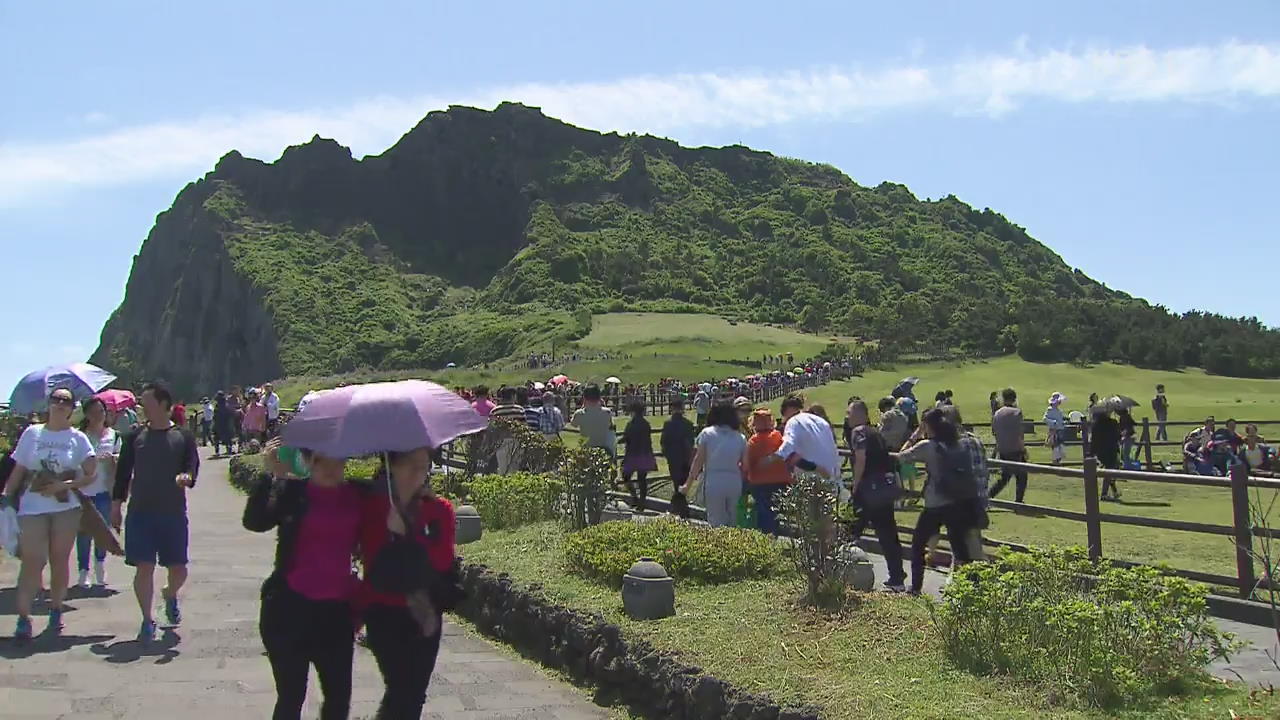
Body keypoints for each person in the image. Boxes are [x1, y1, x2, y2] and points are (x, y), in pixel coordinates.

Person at [245, 438, 361, 720]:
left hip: (335, 614)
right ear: (307, 462)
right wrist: (271, 475)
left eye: (338, 459)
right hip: (288, 610)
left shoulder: (357, 497)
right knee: (292, 695)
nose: (331, 467)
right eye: (321, 460)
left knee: (338, 699)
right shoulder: (293, 492)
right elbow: (255, 521)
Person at [359, 447, 460, 718]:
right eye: (409, 465)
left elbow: (440, 561)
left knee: (413, 696)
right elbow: (373, 565)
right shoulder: (372, 507)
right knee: (400, 691)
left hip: (425, 614)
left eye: (423, 465)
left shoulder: (439, 510)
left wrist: (408, 535)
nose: (418, 472)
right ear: (392, 465)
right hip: (384, 612)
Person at [2, 387, 97, 642]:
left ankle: (56, 609)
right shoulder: (32, 434)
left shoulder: (77, 438)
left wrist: (64, 486)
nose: (60, 404)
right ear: (49, 403)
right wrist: (6, 497)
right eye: (56, 400)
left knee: (59, 559)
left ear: (72, 407)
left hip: (65, 508)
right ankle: (24, 617)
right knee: (32, 561)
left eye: (66, 401)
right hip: (32, 507)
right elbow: (19, 469)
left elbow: (91, 474)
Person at [111, 382, 200, 642]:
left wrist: (186, 477)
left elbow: (191, 465)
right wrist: (116, 506)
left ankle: (170, 594)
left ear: (163, 405)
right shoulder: (134, 437)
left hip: (172, 512)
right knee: (144, 566)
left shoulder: (183, 436)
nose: (141, 406)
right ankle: (147, 619)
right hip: (141, 512)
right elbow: (123, 474)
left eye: (146, 402)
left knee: (179, 568)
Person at [895, 408, 977, 596]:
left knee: (918, 544)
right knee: (959, 547)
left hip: (935, 504)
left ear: (928, 425)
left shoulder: (927, 446)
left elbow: (901, 457)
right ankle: (968, 588)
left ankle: (915, 587)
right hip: (957, 502)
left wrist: (914, 437)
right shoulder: (959, 444)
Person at [844, 397, 906, 591]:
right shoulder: (876, 433)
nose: (847, 417)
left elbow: (861, 458)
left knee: (849, 529)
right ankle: (897, 577)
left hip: (867, 489)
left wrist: (855, 484)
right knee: (888, 533)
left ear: (860, 414)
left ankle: (839, 570)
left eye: (849, 413)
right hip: (883, 489)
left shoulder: (859, 432)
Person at [680, 401, 747, 526]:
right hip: (734, 480)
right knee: (732, 520)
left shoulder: (707, 434)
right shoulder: (740, 438)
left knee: (716, 520)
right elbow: (745, 465)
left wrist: (687, 485)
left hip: (714, 479)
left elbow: (697, 462)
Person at [76, 396, 119, 589]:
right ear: (86, 415)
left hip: (104, 490)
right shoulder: (79, 436)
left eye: (101, 411)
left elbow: (122, 458)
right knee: (83, 533)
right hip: (83, 492)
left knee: (102, 531)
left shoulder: (114, 435)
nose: (98, 415)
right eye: (93, 412)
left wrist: (112, 458)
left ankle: (100, 566)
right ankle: (83, 571)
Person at [744, 409, 791, 535]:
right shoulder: (778, 436)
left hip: (760, 483)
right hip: (780, 481)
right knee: (774, 511)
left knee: (763, 513)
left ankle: (767, 537)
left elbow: (747, 464)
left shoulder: (753, 441)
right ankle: (773, 534)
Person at [989, 388, 1028, 503]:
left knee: (1004, 477)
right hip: (1015, 449)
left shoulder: (997, 413)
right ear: (1014, 399)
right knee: (1022, 477)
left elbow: (994, 432)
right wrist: (1023, 449)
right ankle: (1018, 501)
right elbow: (1020, 433)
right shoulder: (1017, 412)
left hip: (1003, 449)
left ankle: (988, 497)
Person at [661, 399, 696, 516]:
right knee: (683, 481)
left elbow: (663, 442)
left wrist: (666, 454)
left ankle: (679, 506)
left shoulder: (668, 424)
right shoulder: (688, 424)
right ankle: (681, 505)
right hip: (685, 457)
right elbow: (691, 443)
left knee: (676, 482)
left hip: (673, 457)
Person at [621, 402, 657, 511]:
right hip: (645, 453)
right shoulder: (646, 424)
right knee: (642, 479)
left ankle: (634, 497)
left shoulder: (631, 424)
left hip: (632, 454)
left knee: (626, 476)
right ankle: (642, 502)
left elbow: (627, 437)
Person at [570, 385, 616, 460]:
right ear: (599, 397)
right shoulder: (607, 412)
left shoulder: (579, 414)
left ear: (584, 398)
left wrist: (582, 407)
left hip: (587, 450)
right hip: (603, 450)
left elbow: (573, 424)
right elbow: (610, 425)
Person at [1092, 404, 1122, 500]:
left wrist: (1092, 452)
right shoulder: (1113, 423)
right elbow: (1118, 437)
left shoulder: (1096, 424)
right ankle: (1104, 494)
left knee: (1110, 471)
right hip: (1111, 450)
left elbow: (1094, 439)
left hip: (1101, 451)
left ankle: (1115, 491)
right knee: (1110, 471)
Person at [1043, 392, 1068, 466]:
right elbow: (1045, 419)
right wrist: (1053, 422)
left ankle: (1058, 460)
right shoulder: (1050, 410)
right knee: (1056, 447)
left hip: (1060, 430)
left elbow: (1060, 419)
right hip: (1054, 431)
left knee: (1061, 446)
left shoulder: (1059, 411)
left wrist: (1064, 422)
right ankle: (1055, 461)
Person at [213, 390, 237, 456]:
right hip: (224, 424)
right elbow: (231, 414)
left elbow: (215, 416)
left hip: (220, 423)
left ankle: (218, 451)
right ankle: (228, 450)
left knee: (217, 438)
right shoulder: (226, 405)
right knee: (227, 438)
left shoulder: (218, 406)